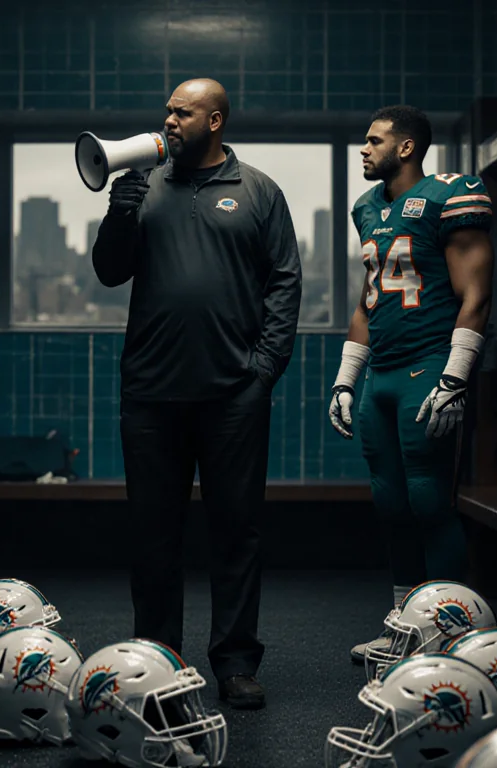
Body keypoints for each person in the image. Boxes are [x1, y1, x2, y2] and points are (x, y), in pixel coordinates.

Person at [91, 78, 302, 710]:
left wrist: (264, 369)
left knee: (235, 532)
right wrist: (121, 207)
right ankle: (159, 661)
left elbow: (285, 281)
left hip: (234, 394)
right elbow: (108, 271)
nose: (169, 119)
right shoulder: (144, 185)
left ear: (214, 121)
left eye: (182, 112)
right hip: (151, 394)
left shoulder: (259, 191)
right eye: (167, 110)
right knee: (154, 536)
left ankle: (236, 663)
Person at [327, 105, 494, 665]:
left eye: (374, 141)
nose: (364, 150)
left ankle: (451, 629)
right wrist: (346, 380)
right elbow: (368, 297)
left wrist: (455, 377)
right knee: (390, 503)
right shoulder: (367, 208)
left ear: (405, 147)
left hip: (428, 364)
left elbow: (476, 294)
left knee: (428, 501)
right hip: (382, 373)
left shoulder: (450, 194)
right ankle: (406, 627)